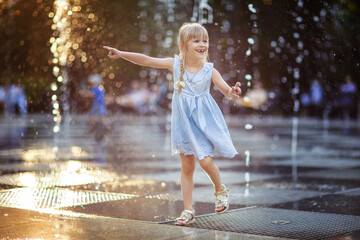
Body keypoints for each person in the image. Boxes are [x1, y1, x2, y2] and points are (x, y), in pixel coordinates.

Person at [103, 22, 241, 226]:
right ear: (184, 44)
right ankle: (188, 210)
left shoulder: (210, 70)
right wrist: (122, 54)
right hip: (183, 123)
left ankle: (220, 189)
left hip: (202, 122)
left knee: (205, 161)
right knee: (187, 166)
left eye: (205, 40)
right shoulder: (175, 64)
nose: (202, 44)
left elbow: (225, 90)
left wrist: (232, 92)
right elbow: (147, 60)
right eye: (196, 40)